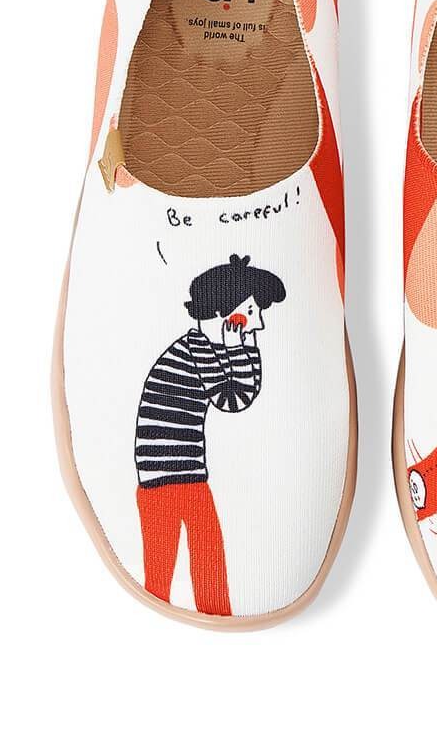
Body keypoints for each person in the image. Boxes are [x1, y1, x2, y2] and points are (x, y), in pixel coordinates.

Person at [133, 254, 285, 614]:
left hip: (175, 474)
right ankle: (210, 606)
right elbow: (233, 399)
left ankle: (211, 606)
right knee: (190, 552)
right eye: (251, 311)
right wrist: (239, 349)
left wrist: (242, 349)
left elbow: (240, 393)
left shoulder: (201, 348)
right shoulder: (199, 350)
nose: (259, 323)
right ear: (225, 314)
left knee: (197, 550)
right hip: (172, 477)